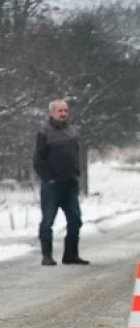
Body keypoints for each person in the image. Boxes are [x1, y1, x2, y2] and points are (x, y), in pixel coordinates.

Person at [32, 99, 89, 266]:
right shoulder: (44, 132)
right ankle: (47, 256)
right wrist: (48, 178)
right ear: (51, 113)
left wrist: (77, 173)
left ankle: (71, 255)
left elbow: (76, 153)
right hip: (52, 185)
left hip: (70, 184)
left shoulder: (72, 131)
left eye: (65, 110)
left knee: (75, 220)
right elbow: (38, 159)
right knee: (48, 221)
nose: (63, 113)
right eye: (60, 111)